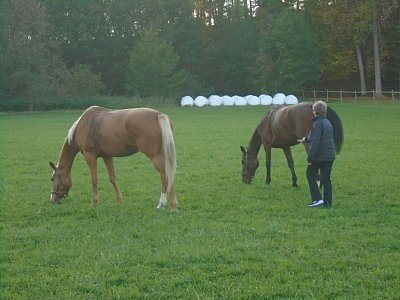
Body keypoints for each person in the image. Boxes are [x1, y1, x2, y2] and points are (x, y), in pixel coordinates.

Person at [300, 101, 336, 208]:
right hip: (330, 156)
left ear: (315, 111)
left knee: (310, 174)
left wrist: (310, 159)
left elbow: (315, 143)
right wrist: (306, 139)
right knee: (326, 179)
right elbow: (321, 137)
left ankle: (317, 199)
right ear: (324, 111)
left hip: (319, 156)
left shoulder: (317, 124)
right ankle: (328, 203)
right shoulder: (328, 122)